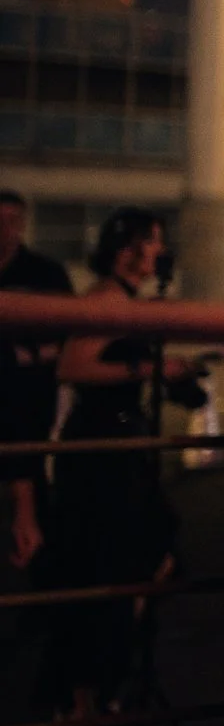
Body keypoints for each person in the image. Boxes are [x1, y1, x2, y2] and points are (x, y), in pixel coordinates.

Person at [48, 208, 197, 720]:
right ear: (127, 248)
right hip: (100, 448)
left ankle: (105, 679)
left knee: (145, 553)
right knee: (107, 561)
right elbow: (72, 366)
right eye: (152, 241)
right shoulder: (107, 298)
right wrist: (149, 367)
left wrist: (168, 374)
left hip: (121, 441)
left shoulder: (126, 298)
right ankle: (89, 692)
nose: (160, 250)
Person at [0, 190, 72, 573]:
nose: (4, 230)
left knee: (31, 465)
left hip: (30, 398)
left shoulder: (45, 274)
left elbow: (66, 336)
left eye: (12, 221)